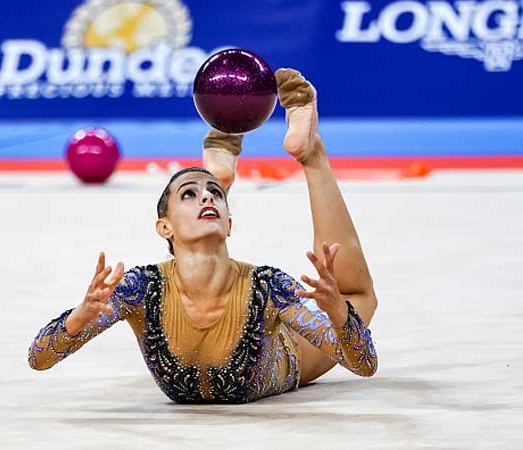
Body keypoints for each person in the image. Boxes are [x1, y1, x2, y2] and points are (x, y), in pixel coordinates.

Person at [28, 69, 378, 404]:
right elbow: (38, 358)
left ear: (228, 223)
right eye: (190, 195)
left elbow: (364, 364)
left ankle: (311, 154)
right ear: (164, 227)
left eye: (214, 192)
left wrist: (337, 312)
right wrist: (80, 315)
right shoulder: (140, 289)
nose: (207, 198)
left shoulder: (267, 287)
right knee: (354, 297)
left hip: (289, 354)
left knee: (355, 296)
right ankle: (218, 168)